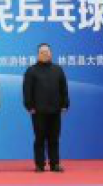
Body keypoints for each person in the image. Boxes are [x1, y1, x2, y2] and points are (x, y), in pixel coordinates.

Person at [23, 43, 70, 173]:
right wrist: (29, 106)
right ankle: (40, 164)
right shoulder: (31, 70)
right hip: (38, 110)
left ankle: (55, 164)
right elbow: (27, 90)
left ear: (51, 53)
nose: (45, 54)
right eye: (42, 52)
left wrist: (65, 104)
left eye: (47, 52)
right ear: (38, 55)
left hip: (55, 110)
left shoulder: (58, 70)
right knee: (40, 138)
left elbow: (64, 89)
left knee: (54, 138)